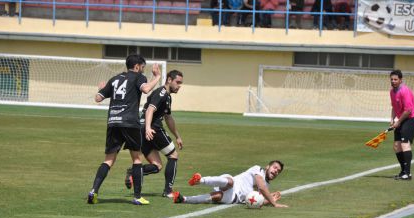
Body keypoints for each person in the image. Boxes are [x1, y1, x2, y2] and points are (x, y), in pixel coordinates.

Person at [87, 54, 161, 205]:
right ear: (136, 66)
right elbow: (146, 89)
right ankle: (137, 196)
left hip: (113, 122)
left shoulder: (114, 79)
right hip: (129, 122)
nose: (142, 70)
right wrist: (157, 77)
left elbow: (98, 98)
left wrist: (101, 89)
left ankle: (93, 191)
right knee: (136, 158)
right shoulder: (138, 77)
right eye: (142, 67)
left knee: (108, 160)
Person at [124, 70, 184, 198]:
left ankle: (132, 172)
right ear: (169, 80)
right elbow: (150, 110)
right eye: (177, 82)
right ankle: (168, 191)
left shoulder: (167, 97)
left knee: (157, 166)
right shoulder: (161, 93)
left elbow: (168, 118)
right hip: (152, 129)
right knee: (173, 155)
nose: (179, 85)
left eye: (181, 83)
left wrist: (177, 136)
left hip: (144, 129)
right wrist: (148, 128)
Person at [173, 160, 288, 208]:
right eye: (274, 167)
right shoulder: (258, 169)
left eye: (278, 171)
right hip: (233, 183)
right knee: (229, 181)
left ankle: (183, 199)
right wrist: (274, 203)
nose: (275, 171)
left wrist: (271, 200)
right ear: (268, 167)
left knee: (216, 196)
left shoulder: (267, 187)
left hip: (235, 197)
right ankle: (200, 180)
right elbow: (261, 187)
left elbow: (259, 201)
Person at [389, 70, 414, 181]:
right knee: (396, 146)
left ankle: (408, 173)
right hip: (401, 120)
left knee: (404, 144)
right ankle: (403, 172)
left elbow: (408, 110)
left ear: (400, 80)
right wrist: (392, 119)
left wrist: (398, 122)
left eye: (395, 79)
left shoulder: (404, 91)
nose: (393, 81)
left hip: (411, 119)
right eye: (392, 79)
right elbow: (393, 106)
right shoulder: (392, 92)